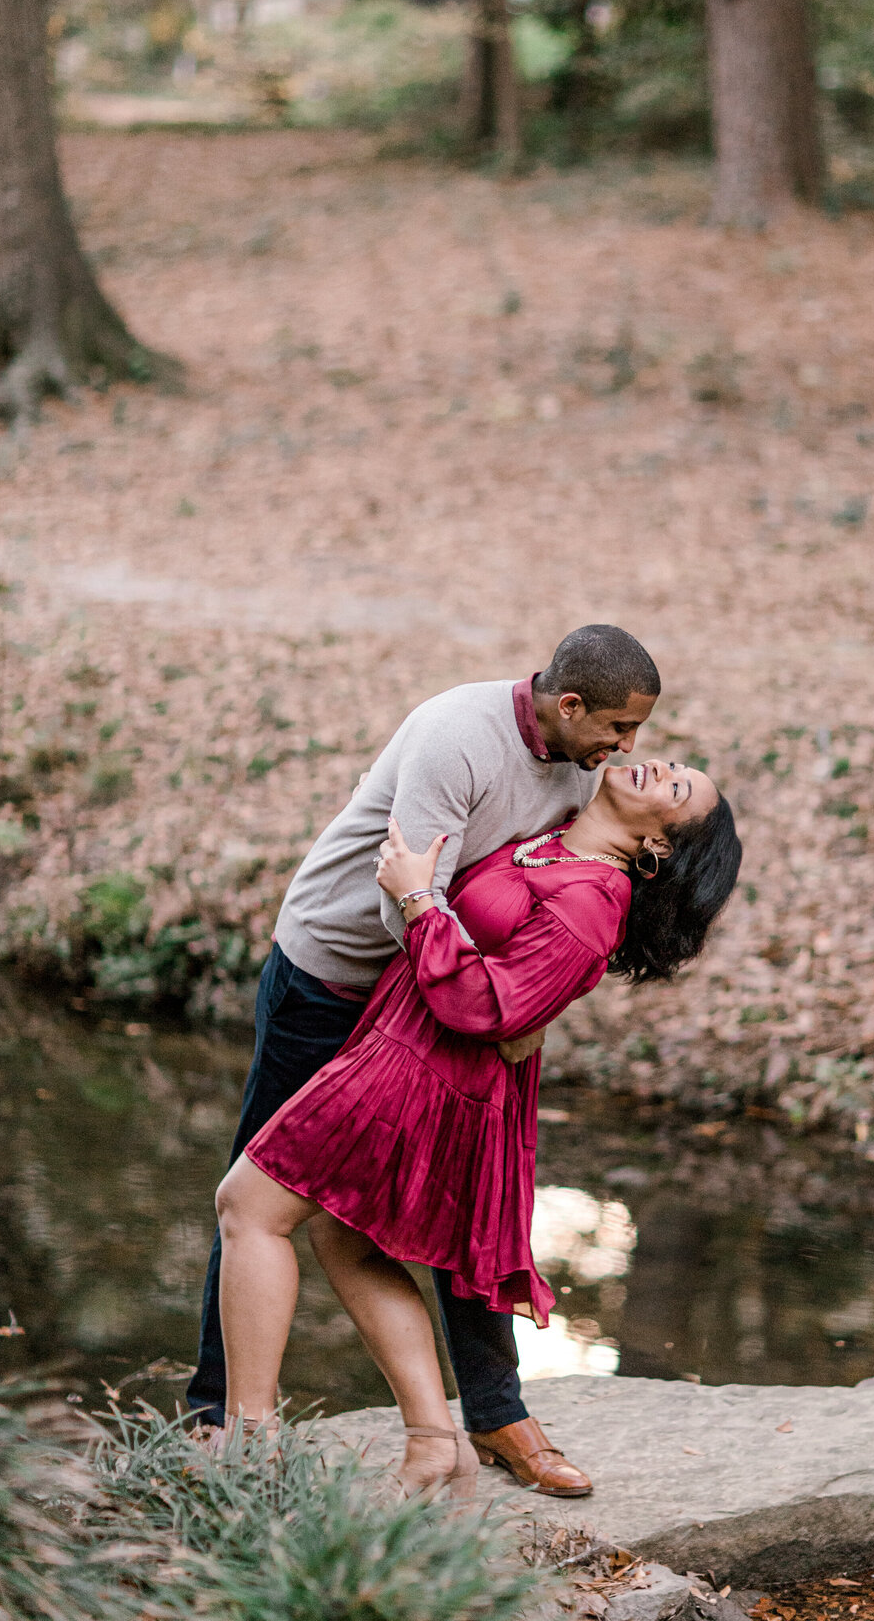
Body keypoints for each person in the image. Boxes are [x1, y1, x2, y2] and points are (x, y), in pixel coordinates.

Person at [188, 624, 662, 1497]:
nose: (628, 748)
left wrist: (523, 1006)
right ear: (569, 705)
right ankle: (218, 1417)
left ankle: (494, 1415)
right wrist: (478, 1011)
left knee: (457, 1204)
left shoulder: (583, 766)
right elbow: (403, 893)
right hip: (336, 978)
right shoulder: (457, 736)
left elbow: (551, 900)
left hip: (431, 1001)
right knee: (260, 1180)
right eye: (619, 727)